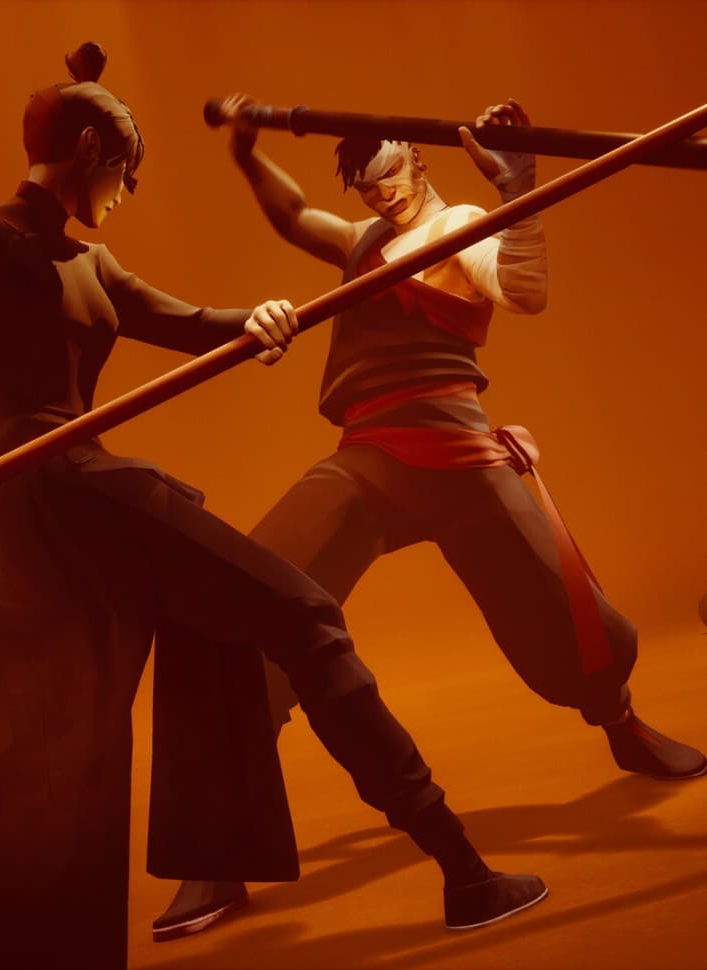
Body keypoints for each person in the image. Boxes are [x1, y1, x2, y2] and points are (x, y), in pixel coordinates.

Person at [0, 46, 547, 970]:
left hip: (77, 507)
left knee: (17, 772)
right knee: (288, 621)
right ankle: (462, 869)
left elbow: (189, 324)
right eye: (126, 173)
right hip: (40, 503)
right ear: (89, 150)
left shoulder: (93, 262)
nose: (128, 192)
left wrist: (256, 319)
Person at [152, 95, 706, 940]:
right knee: (250, 608)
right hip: (370, 455)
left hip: (456, 451)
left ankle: (619, 720)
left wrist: (518, 188)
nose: (384, 196)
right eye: (368, 188)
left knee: (566, 612)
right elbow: (294, 215)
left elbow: (525, 291)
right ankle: (218, 849)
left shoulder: (467, 226)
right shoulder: (363, 239)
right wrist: (245, 151)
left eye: (391, 177)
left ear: (417, 159)